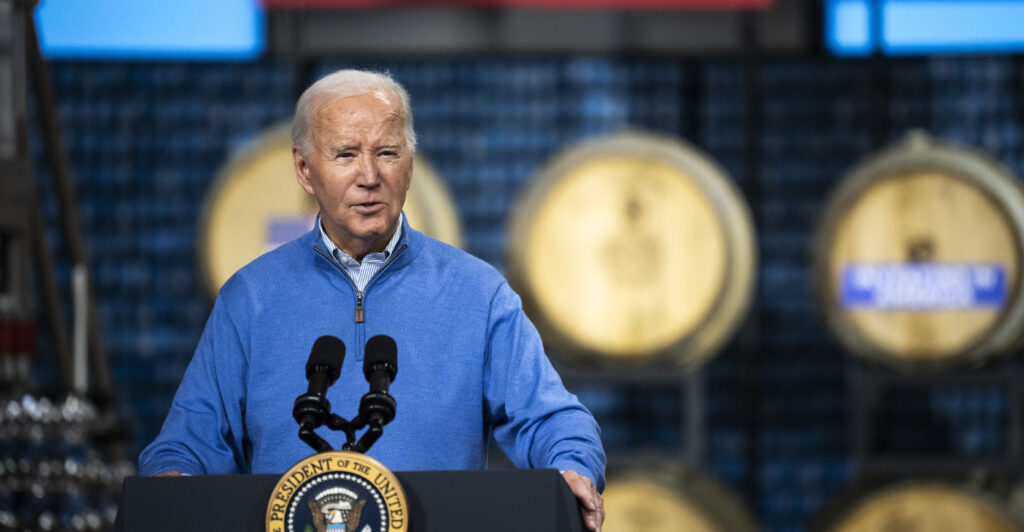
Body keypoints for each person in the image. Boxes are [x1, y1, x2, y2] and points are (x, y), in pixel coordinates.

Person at [139, 69, 605, 530]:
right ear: (304, 169)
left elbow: (552, 418)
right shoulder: (250, 297)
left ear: (410, 164)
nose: (369, 176)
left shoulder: (479, 293)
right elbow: (187, 443)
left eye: (387, 152)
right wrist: (171, 484)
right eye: (345, 155)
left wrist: (573, 465)